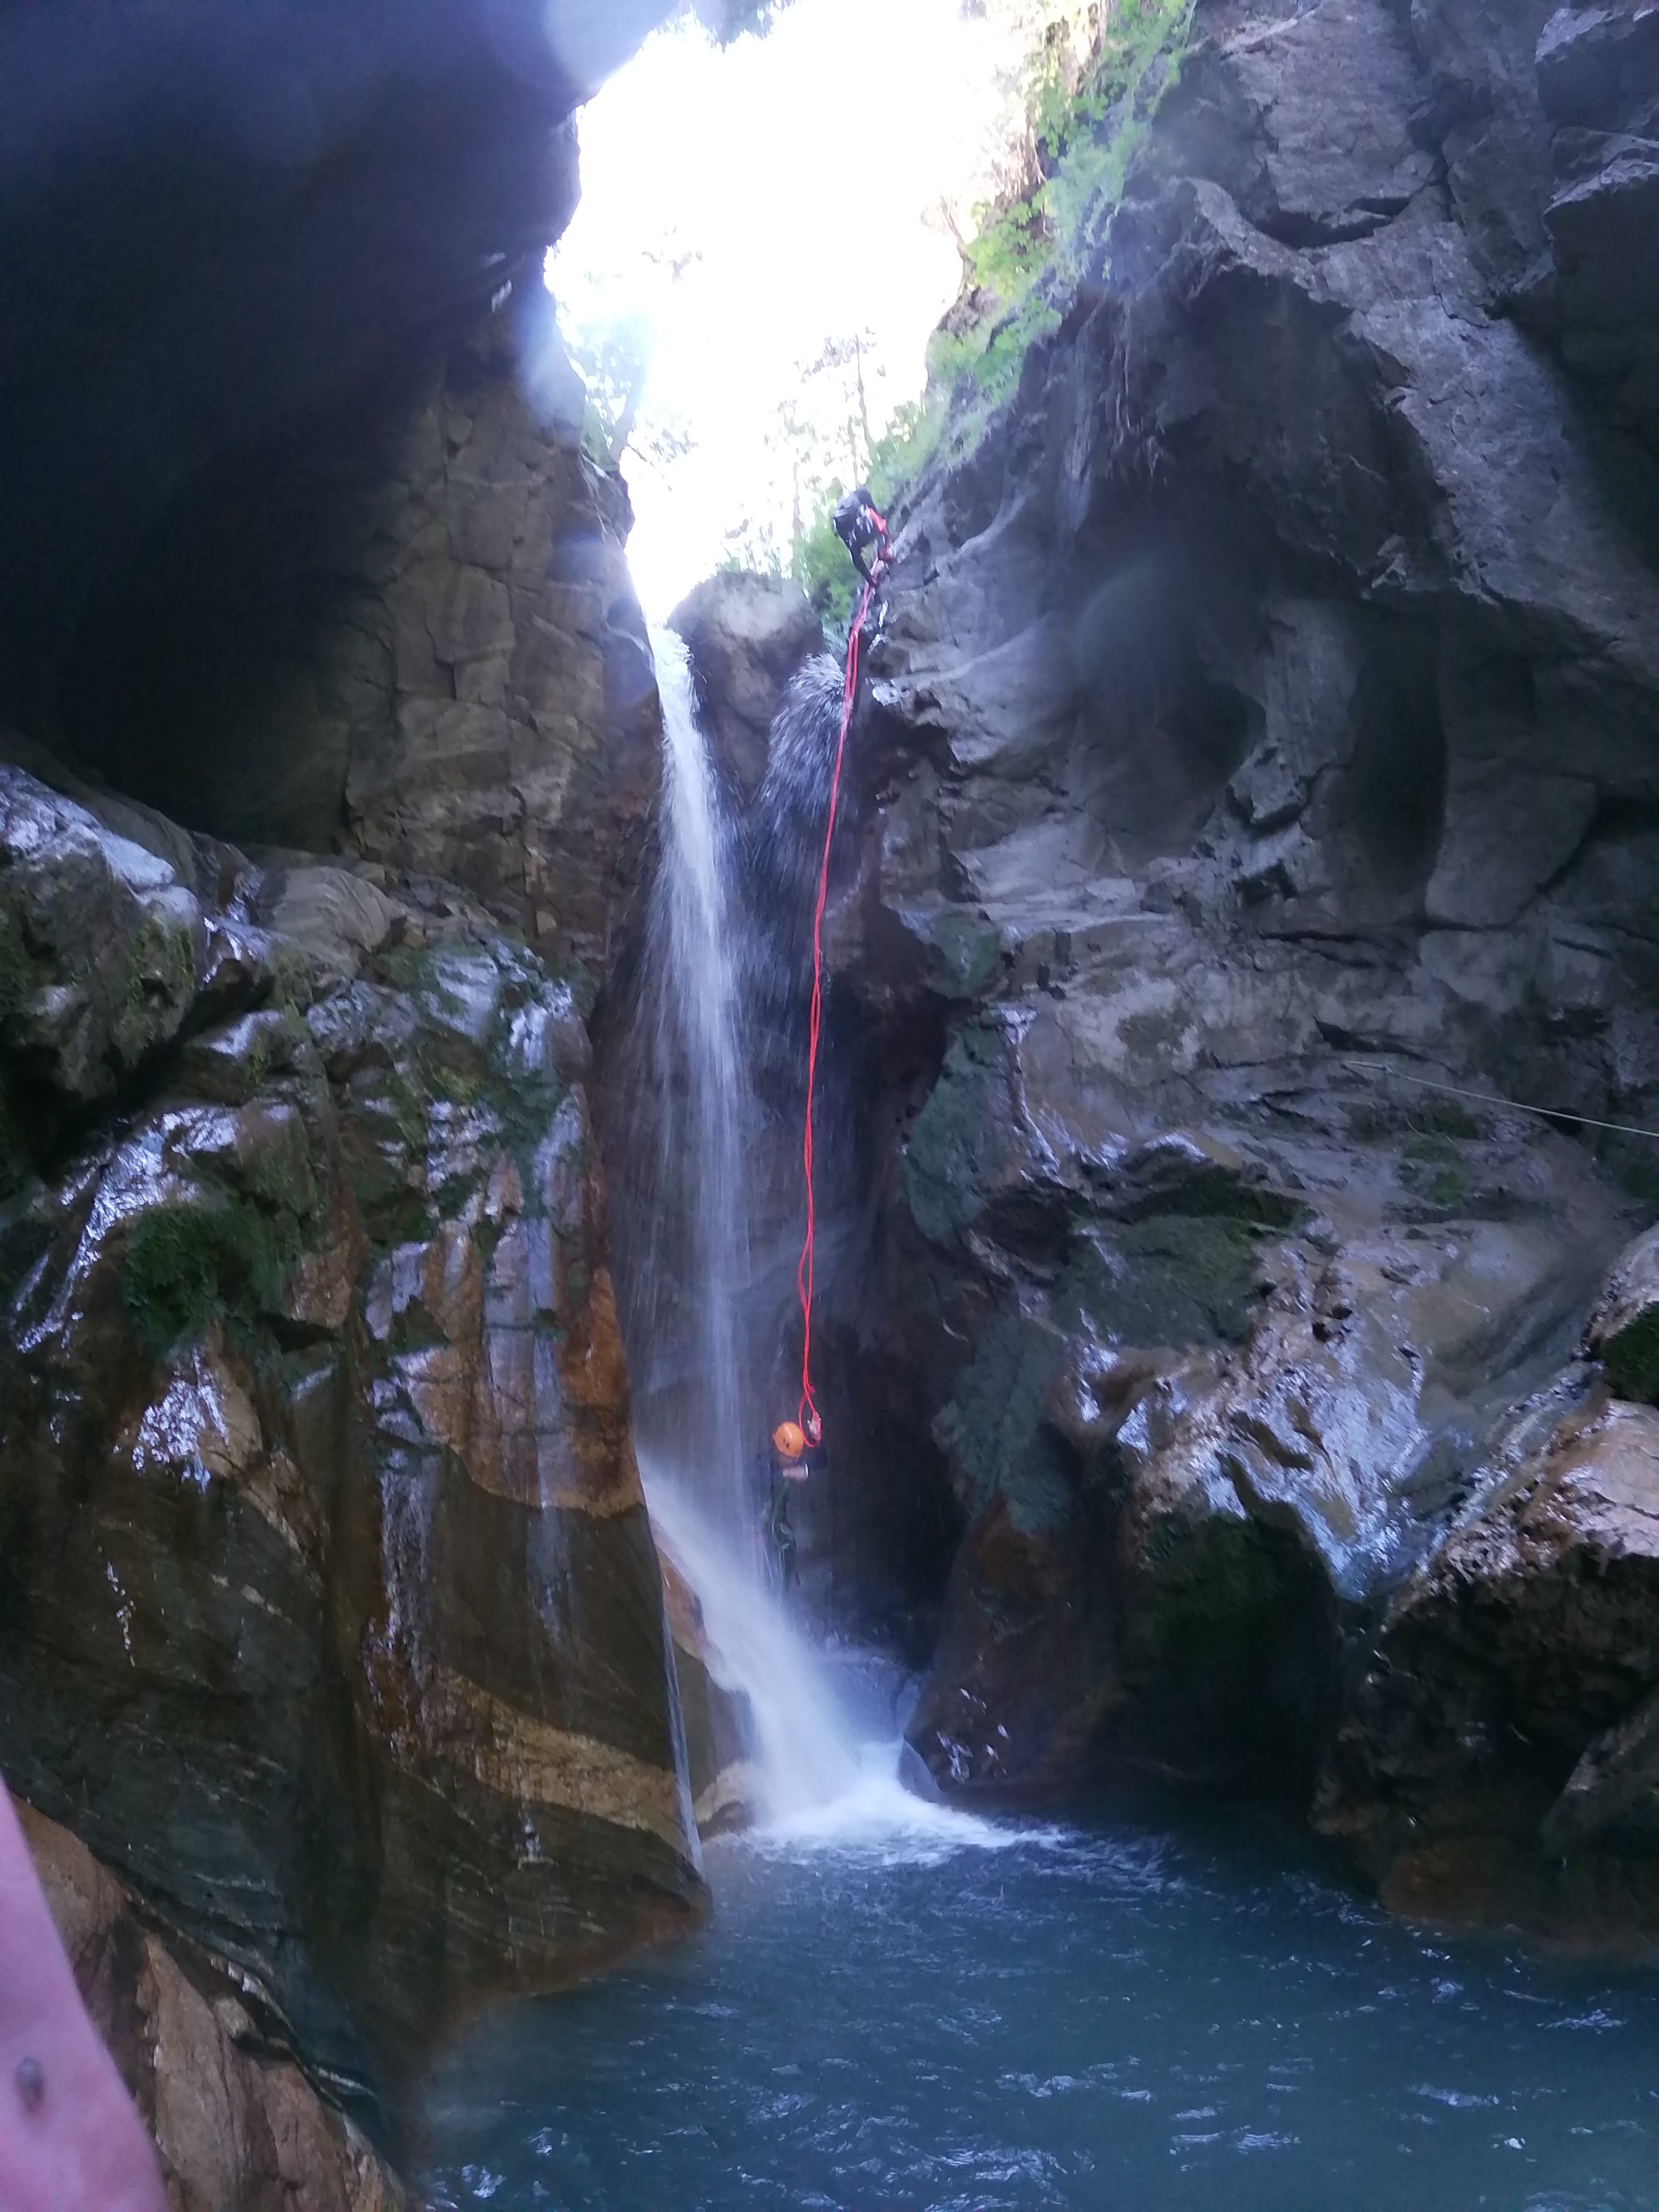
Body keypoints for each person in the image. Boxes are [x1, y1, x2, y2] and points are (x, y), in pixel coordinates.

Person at [833, 484, 890, 586]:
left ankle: (871, 579)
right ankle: (883, 551)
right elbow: (875, 513)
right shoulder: (860, 494)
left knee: (853, 551)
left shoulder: (838, 521)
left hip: (857, 537)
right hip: (868, 527)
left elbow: (853, 552)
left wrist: (869, 578)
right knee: (881, 523)